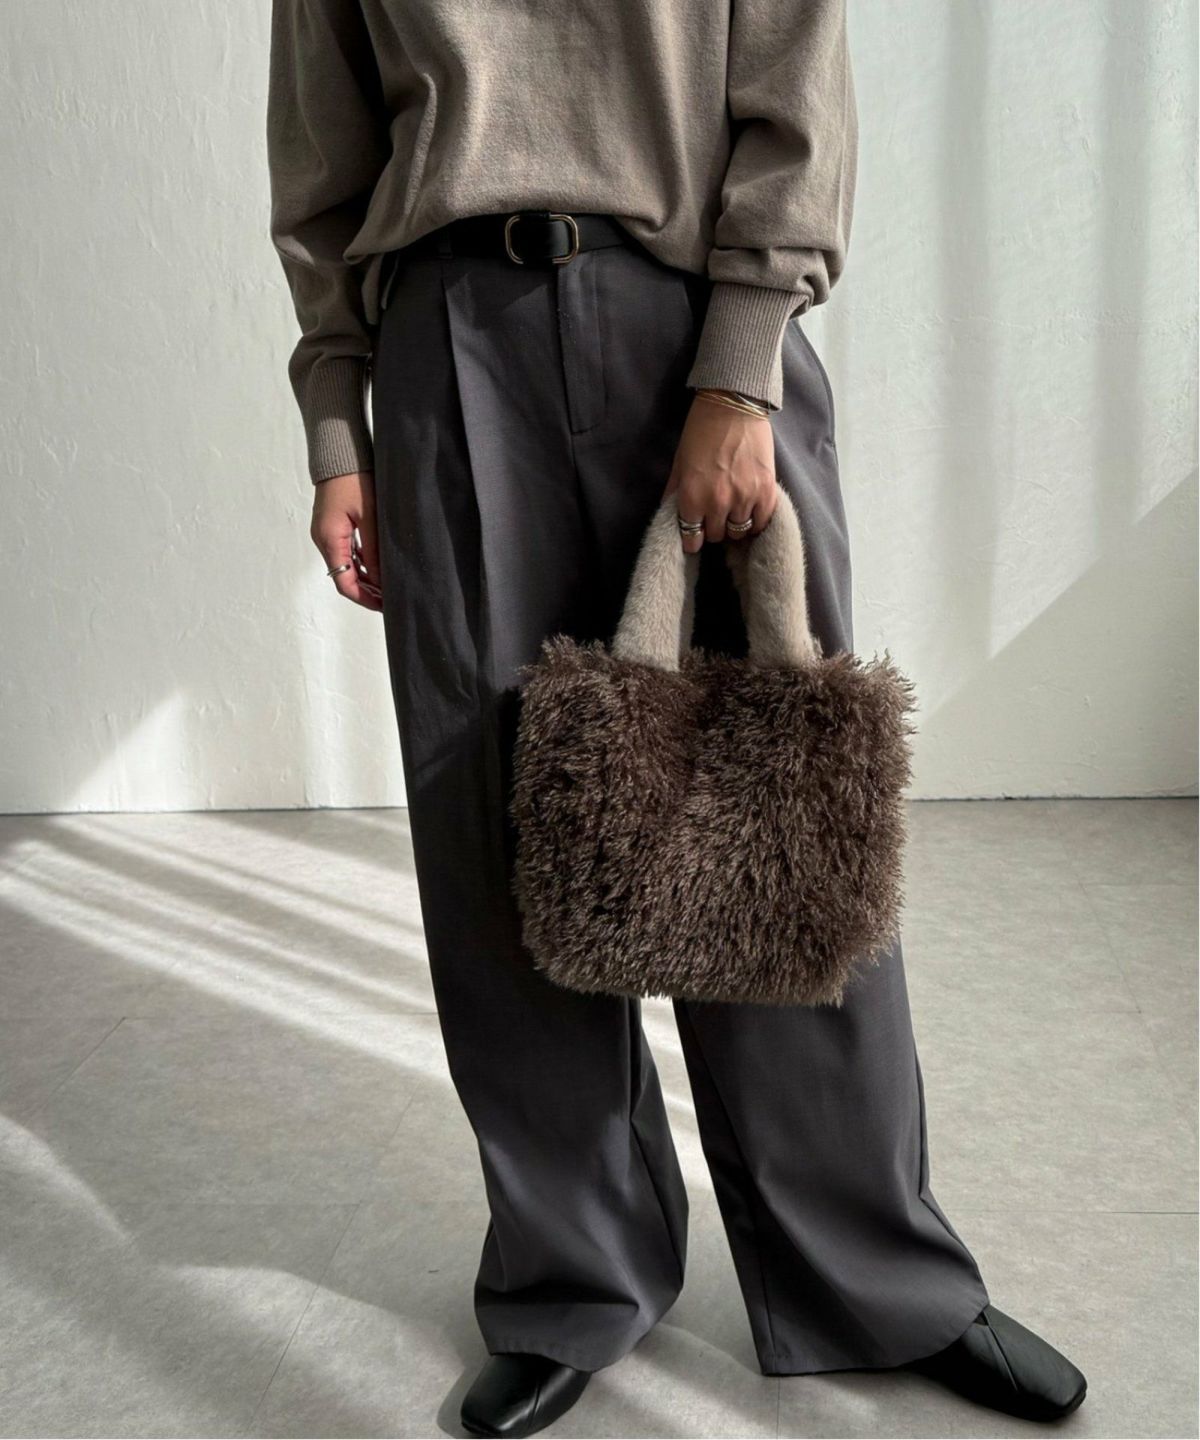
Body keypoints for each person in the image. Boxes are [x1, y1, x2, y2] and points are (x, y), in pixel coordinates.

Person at [266, 4, 1087, 1436]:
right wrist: (340, 424)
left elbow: (793, 92)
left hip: (695, 330)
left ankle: (876, 1276)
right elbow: (324, 163)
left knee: (772, 812)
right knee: (500, 841)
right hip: (448, 345)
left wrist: (739, 370)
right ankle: (570, 1278)